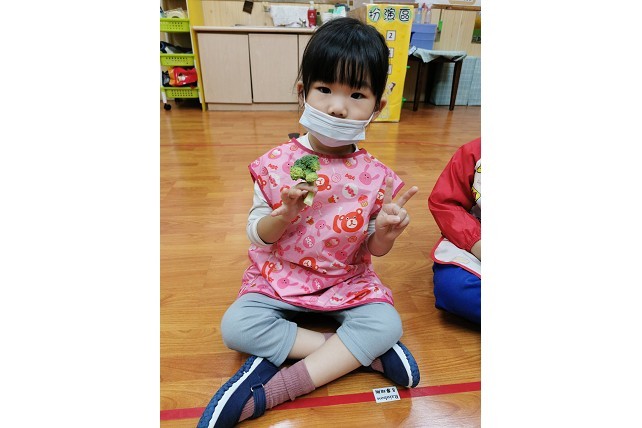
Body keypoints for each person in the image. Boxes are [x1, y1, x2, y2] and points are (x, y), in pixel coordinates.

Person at [197, 17, 421, 428]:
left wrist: (385, 235)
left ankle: (277, 389)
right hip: (279, 276)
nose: (338, 107)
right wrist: (282, 216)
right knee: (237, 326)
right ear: (303, 92)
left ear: (377, 107)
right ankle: (360, 354)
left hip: (345, 279)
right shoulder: (277, 164)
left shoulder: (377, 177)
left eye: (357, 94)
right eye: (325, 90)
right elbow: (258, 234)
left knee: (387, 322)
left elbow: (372, 247)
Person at [428, 137, 481, 324]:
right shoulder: (475, 152)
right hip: (476, 238)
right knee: (453, 288)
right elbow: (446, 203)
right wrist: (476, 242)